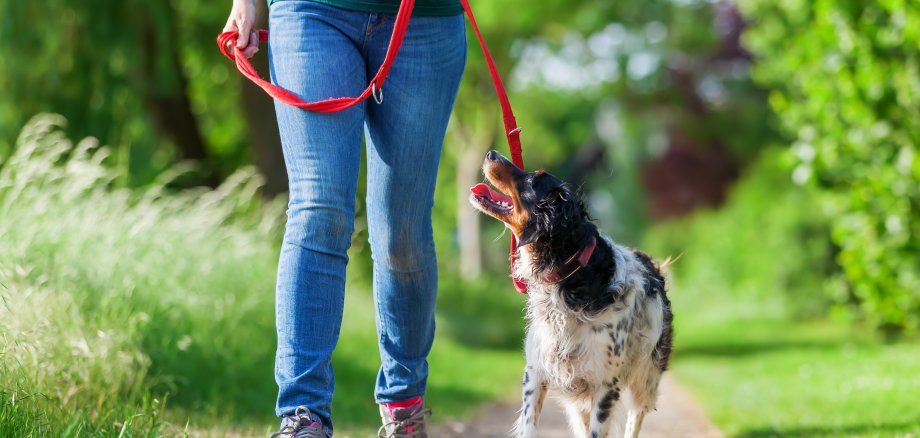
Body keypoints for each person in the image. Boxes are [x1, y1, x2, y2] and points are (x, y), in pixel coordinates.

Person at [223, 0, 466, 435]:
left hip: (424, 21)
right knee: (319, 210)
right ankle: (303, 414)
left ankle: (403, 406)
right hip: (313, 11)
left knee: (401, 233)